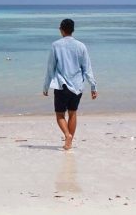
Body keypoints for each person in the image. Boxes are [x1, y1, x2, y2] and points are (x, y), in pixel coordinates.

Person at [42, 18, 98, 151]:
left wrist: (46, 86)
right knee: (73, 113)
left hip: (62, 86)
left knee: (60, 115)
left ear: (61, 30)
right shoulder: (81, 46)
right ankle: (69, 143)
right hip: (77, 86)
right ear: (73, 30)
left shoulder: (56, 45)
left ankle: (67, 135)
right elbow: (87, 68)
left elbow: (50, 68)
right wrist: (93, 86)